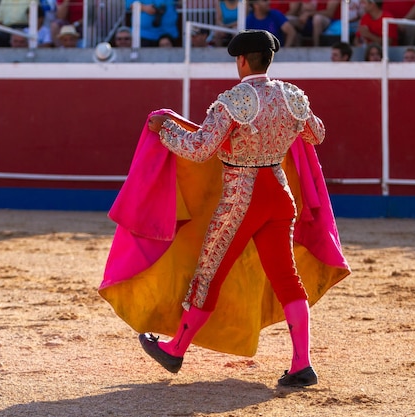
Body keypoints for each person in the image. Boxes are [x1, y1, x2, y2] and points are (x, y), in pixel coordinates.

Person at [137, 29, 337, 387]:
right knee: (287, 278)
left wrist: (165, 129)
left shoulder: (235, 101)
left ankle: (176, 349)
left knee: (209, 272)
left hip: (241, 198)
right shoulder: (292, 96)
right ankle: (301, 364)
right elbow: (315, 134)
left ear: (242, 60)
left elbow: (200, 149)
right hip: (279, 193)